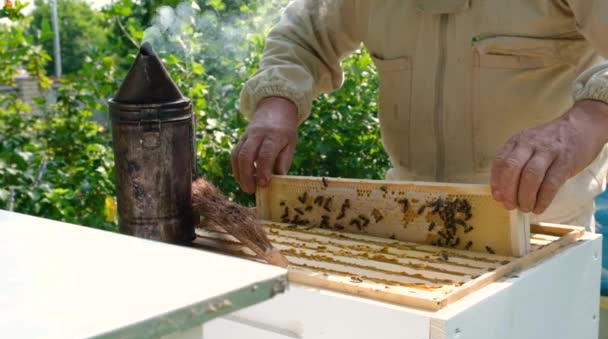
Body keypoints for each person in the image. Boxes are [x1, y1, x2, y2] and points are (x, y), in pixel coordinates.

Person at [231, 0, 608, 229]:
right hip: (410, 222)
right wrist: (276, 103)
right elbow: (303, 36)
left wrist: (585, 121)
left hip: (543, 226)